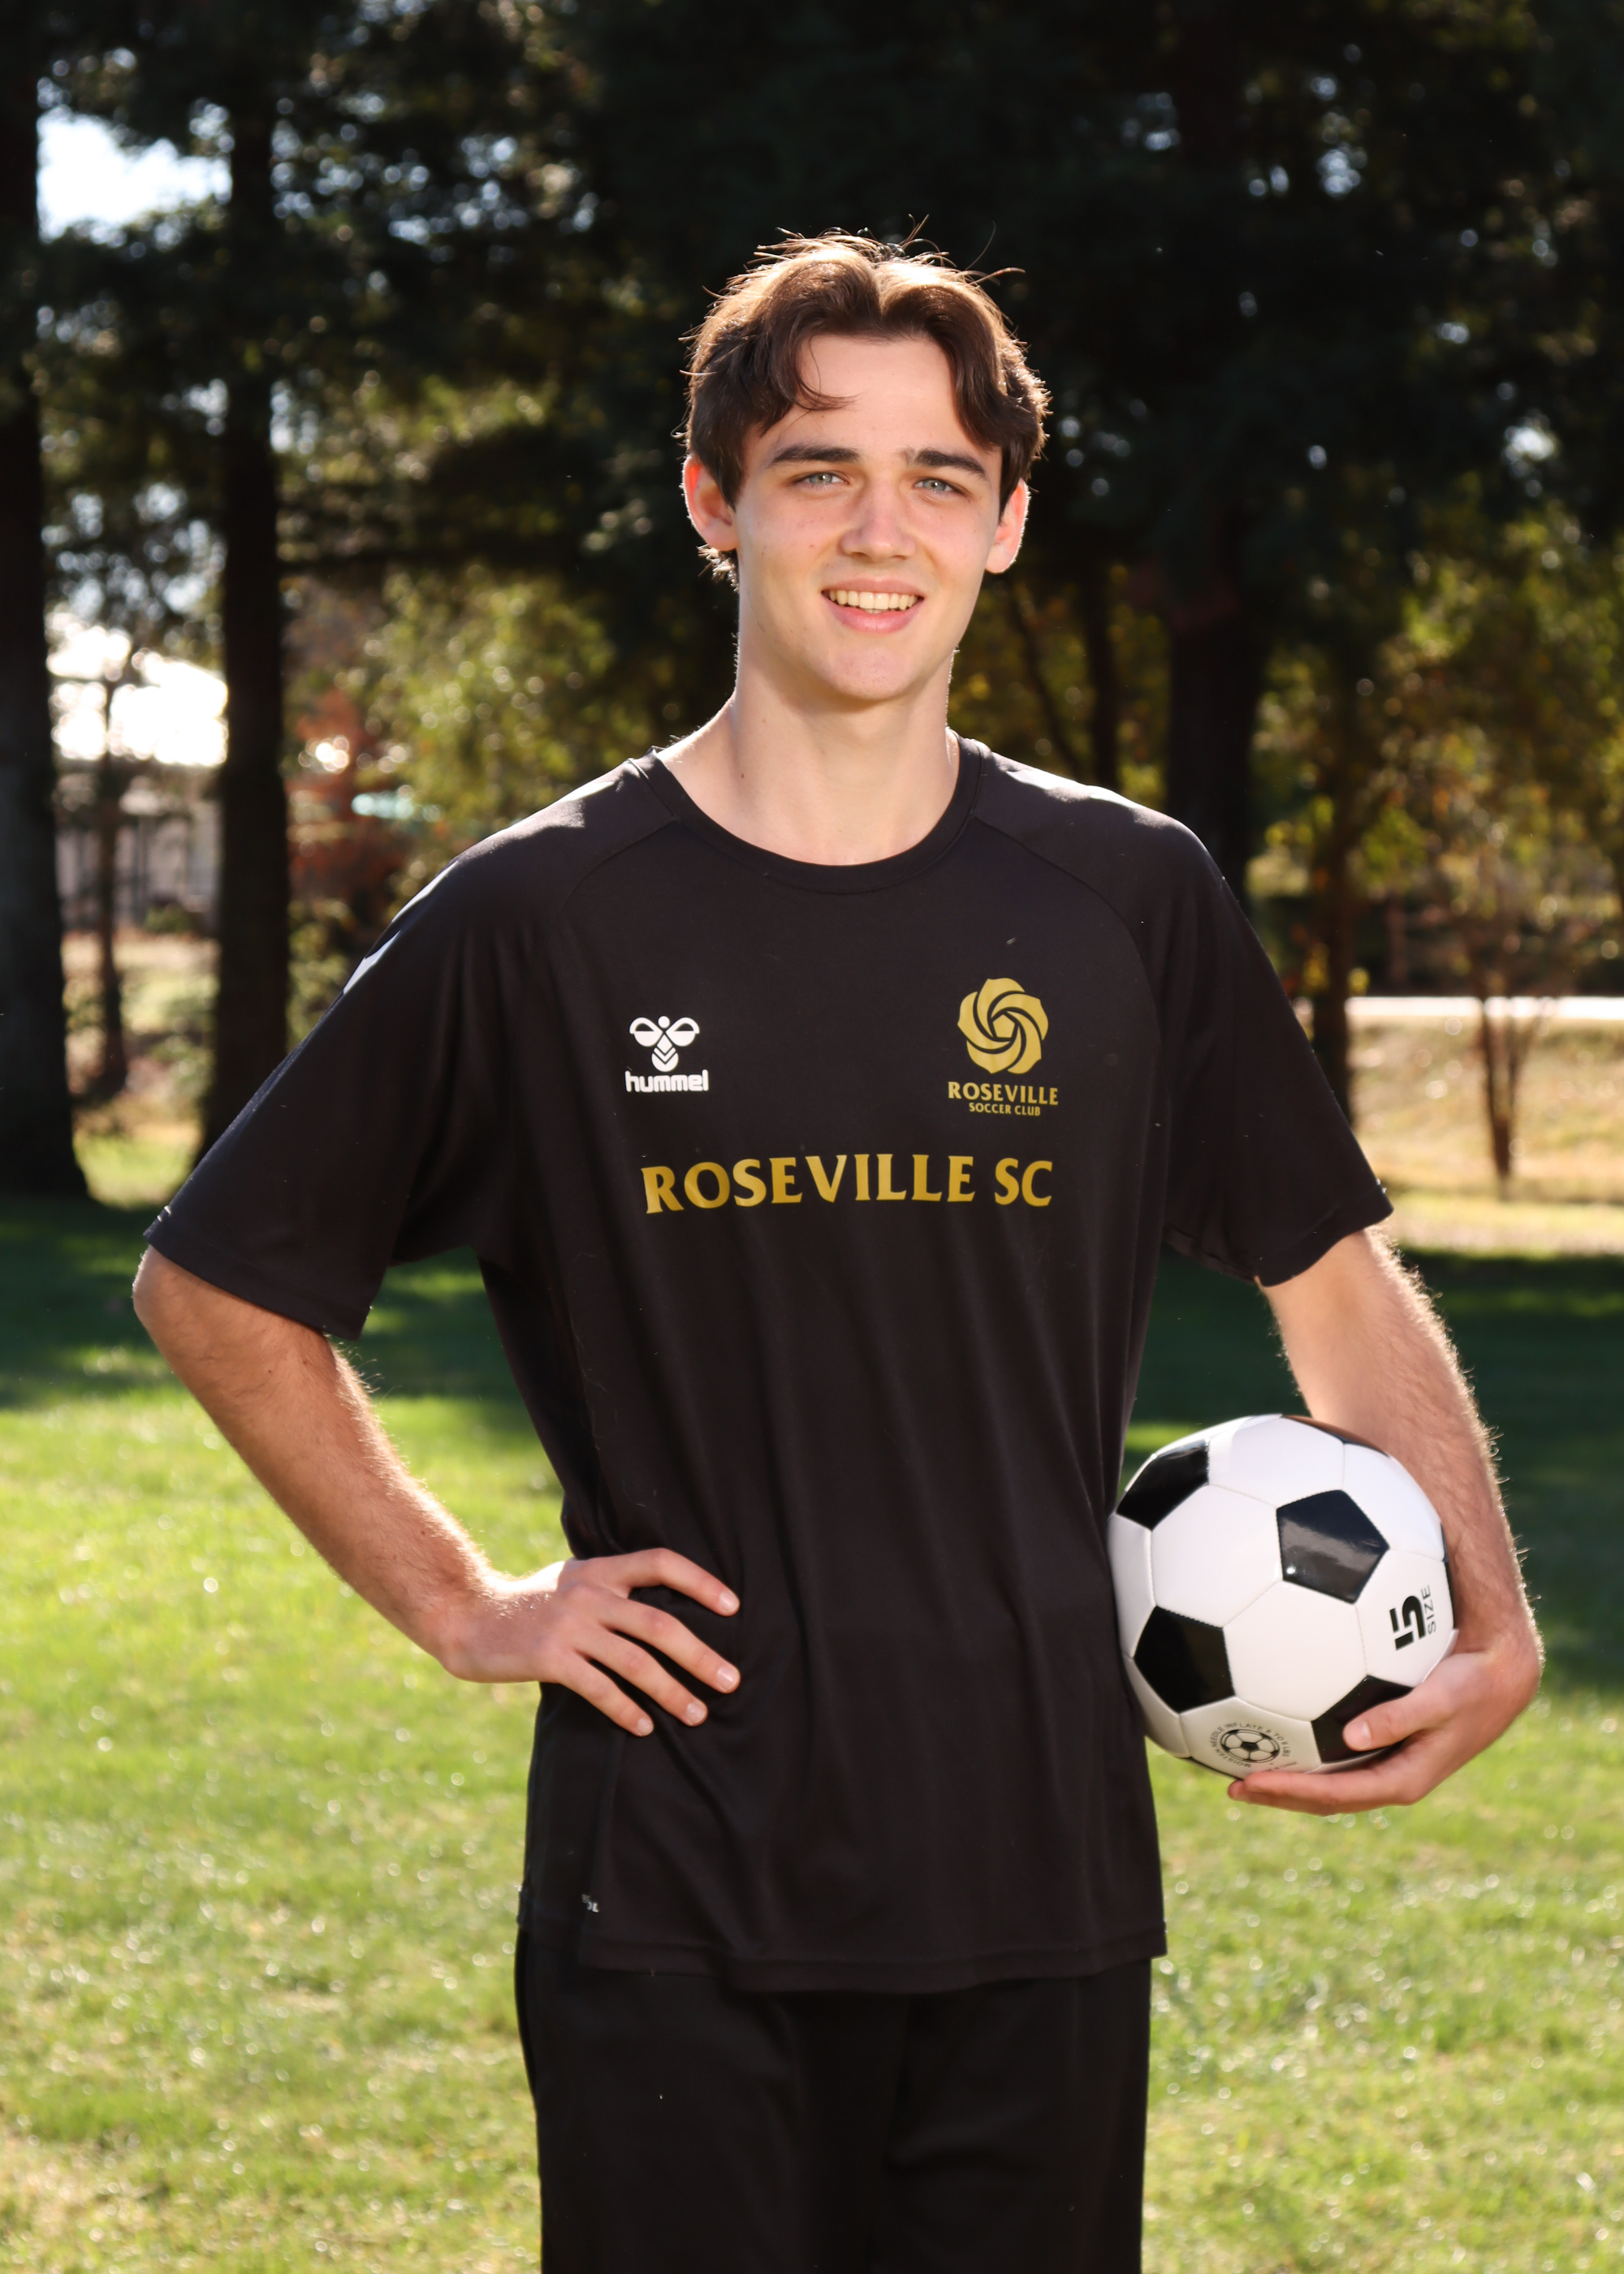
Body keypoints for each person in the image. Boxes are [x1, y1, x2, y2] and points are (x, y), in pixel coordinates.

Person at [133, 233, 1541, 2273]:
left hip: (1041, 1880)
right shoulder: (545, 916)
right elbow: (218, 1281)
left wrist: (1489, 1611)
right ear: (715, 502)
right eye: (818, 471)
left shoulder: (1124, 898)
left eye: (938, 478)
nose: (882, 532)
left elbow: (1332, 1284)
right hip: (672, 1892)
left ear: (1005, 522)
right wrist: (461, 1599)